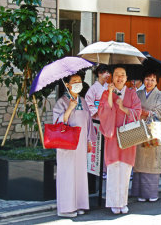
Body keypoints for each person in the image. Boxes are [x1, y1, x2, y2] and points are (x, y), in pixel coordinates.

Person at [98, 66, 142, 214]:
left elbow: (138, 112)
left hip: (128, 135)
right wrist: (110, 93)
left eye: (122, 75)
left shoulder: (132, 94)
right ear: (112, 77)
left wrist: (123, 108)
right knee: (113, 169)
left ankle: (122, 202)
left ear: (126, 77)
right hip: (113, 135)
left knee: (125, 170)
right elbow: (103, 111)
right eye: (117, 75)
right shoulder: (106, 93)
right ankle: (113, 203)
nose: (120, 77)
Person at [53, 74, 96, 218]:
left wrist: (90, 140)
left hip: (81, 144)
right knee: (67, 175)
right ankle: (66, 208)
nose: (78, 83)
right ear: (67, 84)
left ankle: (79, 204)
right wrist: (69, 109)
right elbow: (57, 123)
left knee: (80, 175)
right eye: (74, 81)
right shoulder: (62, 102)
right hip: (67, 145)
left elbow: (89, 123)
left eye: (79, 81)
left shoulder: (83, 101)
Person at [132, 70, 161, 202]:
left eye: (153, 80)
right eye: (147, 79)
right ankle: (140, 193)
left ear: (156, 82)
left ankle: (151, 194)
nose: (149, 82)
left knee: (152, 162)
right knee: (140, 161)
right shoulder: (138, 94)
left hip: (153, 131)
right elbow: (132, 109)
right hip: (139, 131)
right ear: (143, 80)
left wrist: (147, 113)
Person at [85, 65, 110, 179]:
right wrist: (97, 112)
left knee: (107, 146)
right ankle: (97, 169)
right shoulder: (93, 88)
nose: (108, 75)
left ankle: (105, 169)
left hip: (108, 120)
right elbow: (88, 103)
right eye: (105, 72)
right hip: (97, 121)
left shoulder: (108, 87)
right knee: (98, 145)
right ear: (99, 73)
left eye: (109, 73)